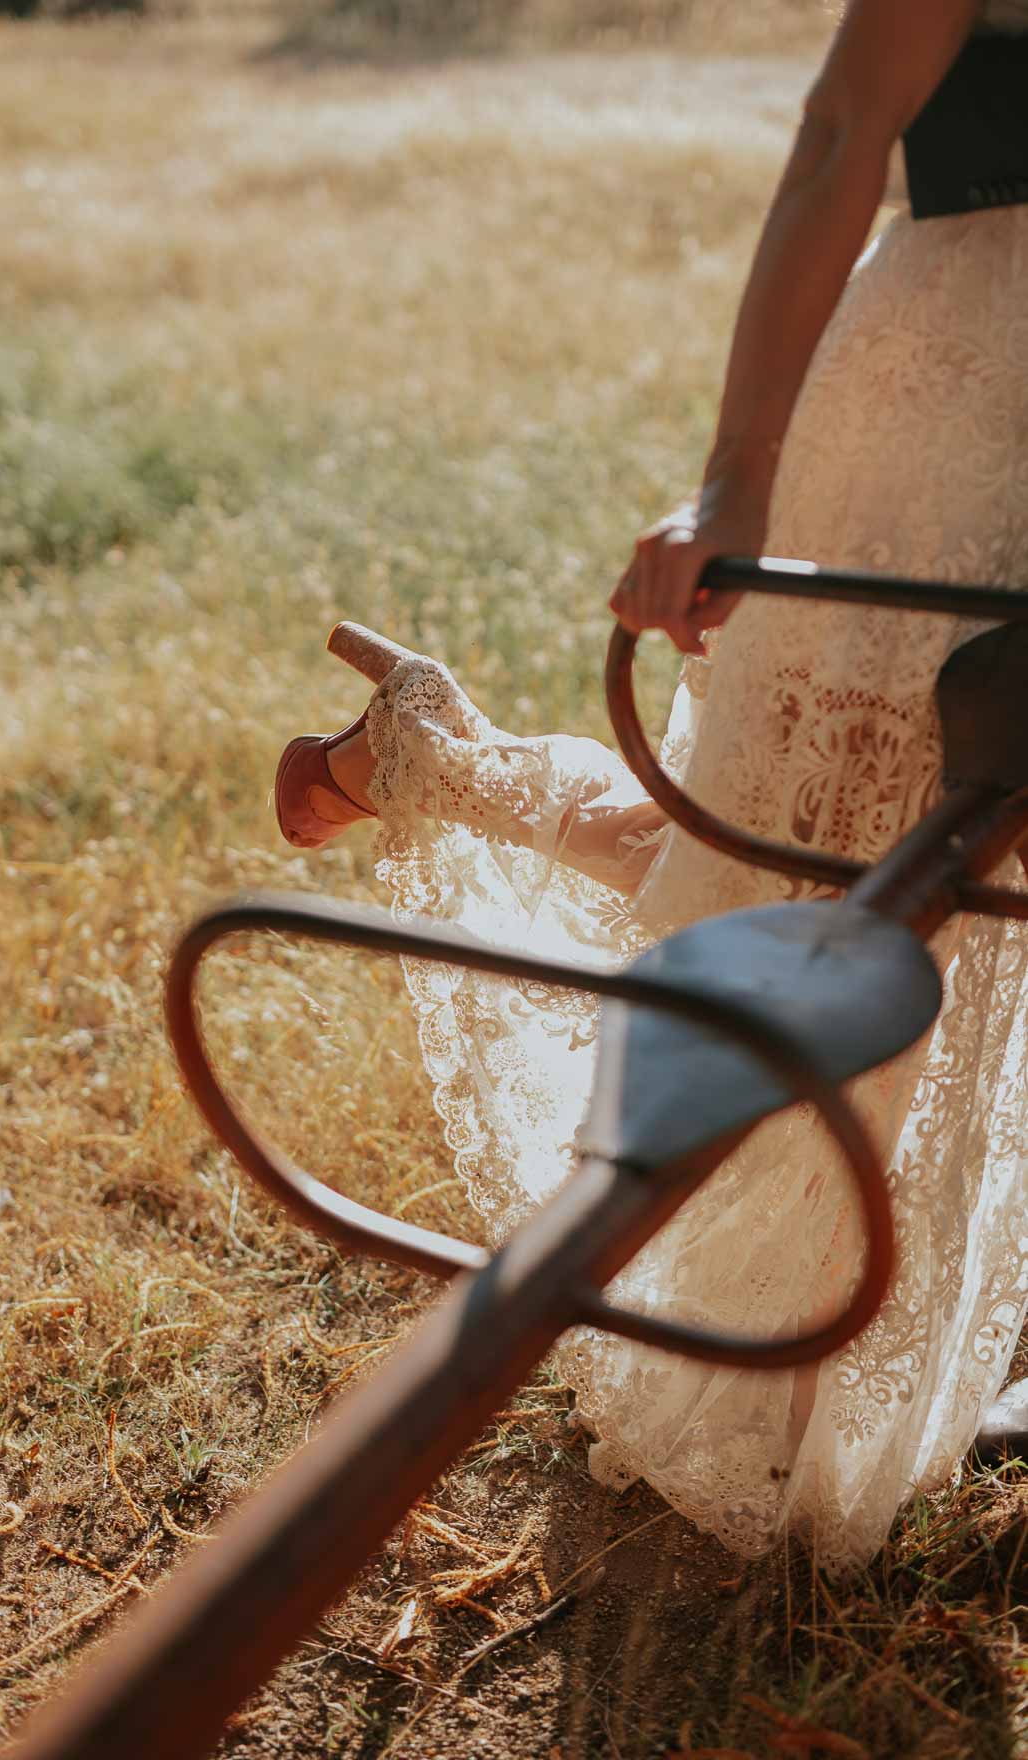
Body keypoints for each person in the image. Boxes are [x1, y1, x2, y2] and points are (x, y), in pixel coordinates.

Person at [274, 0, 1028, 1573]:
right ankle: (448, 765)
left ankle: (444, 757)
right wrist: (736, 476)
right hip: (964, 408)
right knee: (831, 881)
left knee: (930, 899)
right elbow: (839, 132)